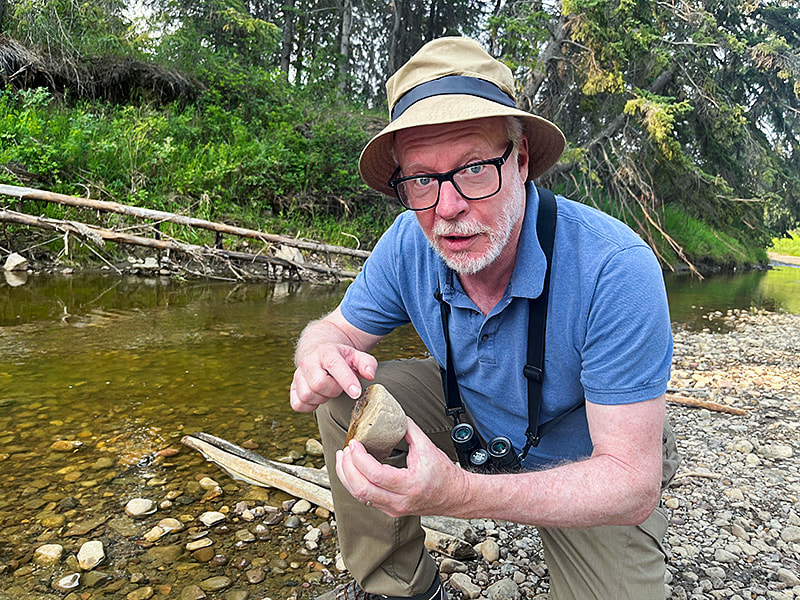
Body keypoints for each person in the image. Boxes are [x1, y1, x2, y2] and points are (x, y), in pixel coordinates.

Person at [290, 36, 680, 600]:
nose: (447, 207)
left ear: (520, 161)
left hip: (592, 447)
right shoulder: (409, 242)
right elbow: (333, 330)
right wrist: (315, 353)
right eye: (422, 179)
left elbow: (629, 483)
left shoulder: (614, 269)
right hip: (472, 411)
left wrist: (456, 492)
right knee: (344, 397)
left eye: (474, 168)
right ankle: (399, 586)